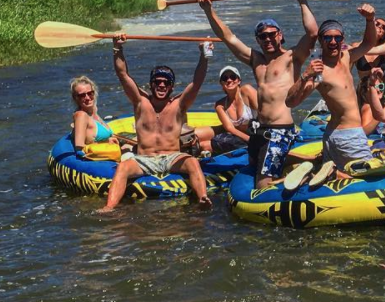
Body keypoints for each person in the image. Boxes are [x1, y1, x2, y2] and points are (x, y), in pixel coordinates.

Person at [198, 0, 318, 188]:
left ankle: (303, 178)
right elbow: (227, 37)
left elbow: (313, 33)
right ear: (258, 40)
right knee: (254, 165)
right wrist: (208, 10)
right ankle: (308, 163)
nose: (268, 38)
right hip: (259, 130)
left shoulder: (292, 57)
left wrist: (302, 0)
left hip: (279, 129)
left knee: (262, 184)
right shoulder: (256, 60)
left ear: (280, 35)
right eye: (263, 36)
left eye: (272, 34)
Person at [100, 36, 211, 211]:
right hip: (145, 159)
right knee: (122, 167)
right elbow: (123, 75)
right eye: (157, 82)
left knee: (193, 162)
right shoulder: (140, 102)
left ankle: (202, 199)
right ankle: (109, 207)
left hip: (172, 157)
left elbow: (196, 83)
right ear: (151, 84)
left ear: (171, 86)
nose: (161, 85)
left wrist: (204, 56)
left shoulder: (179, 104)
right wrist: (117, 48)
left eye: (165, 83)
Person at [288, 5, 379, 175]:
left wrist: (370, 19)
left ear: (342, 40)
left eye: (337, 38)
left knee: (336, 180)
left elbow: (369, 43)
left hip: (336, 135)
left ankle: (320, 171)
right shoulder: (320, 71)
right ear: (320, 41)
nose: (332, 42)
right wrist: (305, 76)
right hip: (349, 137)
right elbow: (290, 102)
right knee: (369, 178)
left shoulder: (346, 57)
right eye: (328, 38)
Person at [207, 66, 258, 155]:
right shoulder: (220, 105)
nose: (229, 80)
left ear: (239, 80)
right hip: (242, 139)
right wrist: (250, 140)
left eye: (233, 77)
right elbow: (230, 128)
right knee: (211, 142)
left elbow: (264, 111)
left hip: (258, 133)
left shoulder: (246, 91)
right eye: (225, 78)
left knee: (213, 143)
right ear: (221, 83)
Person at [70, 76, 117, 156]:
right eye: (82, 95)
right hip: (105, 160)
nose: (87, 98)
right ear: (76, 98)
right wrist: (106, 143)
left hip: (112, 152)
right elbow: (80, 149)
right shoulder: (81, 115)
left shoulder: (93, 112)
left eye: (90, 93)